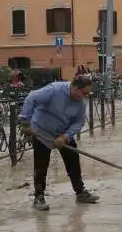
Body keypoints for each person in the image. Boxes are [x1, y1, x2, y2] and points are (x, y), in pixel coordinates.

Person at [19, 77, 99, 211]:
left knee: (73, 161)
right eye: (84, 93)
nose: (86, 96)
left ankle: (80, 192)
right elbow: (31, 98)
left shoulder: (81, 102)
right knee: (41, 165)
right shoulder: (54, 90)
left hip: (63, 133)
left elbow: (79, 122)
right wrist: (26, 122)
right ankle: (39, 197)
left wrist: (65, 136)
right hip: (42, 132)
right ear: (74, 88)